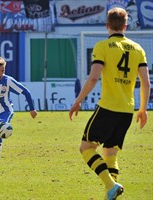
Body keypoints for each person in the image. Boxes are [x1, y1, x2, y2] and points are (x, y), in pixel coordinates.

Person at [69, 7, 150, 200]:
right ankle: (110, 193)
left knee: (86, 148)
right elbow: (146, 83)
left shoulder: (102, 47)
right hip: (127, 110)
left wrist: (78, 101)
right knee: (110, 152)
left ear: (107, 26)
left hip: (107, 108)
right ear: (125, 25)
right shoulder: (138, 49)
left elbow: (93, 79)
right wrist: (143, 109)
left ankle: (110, 185)